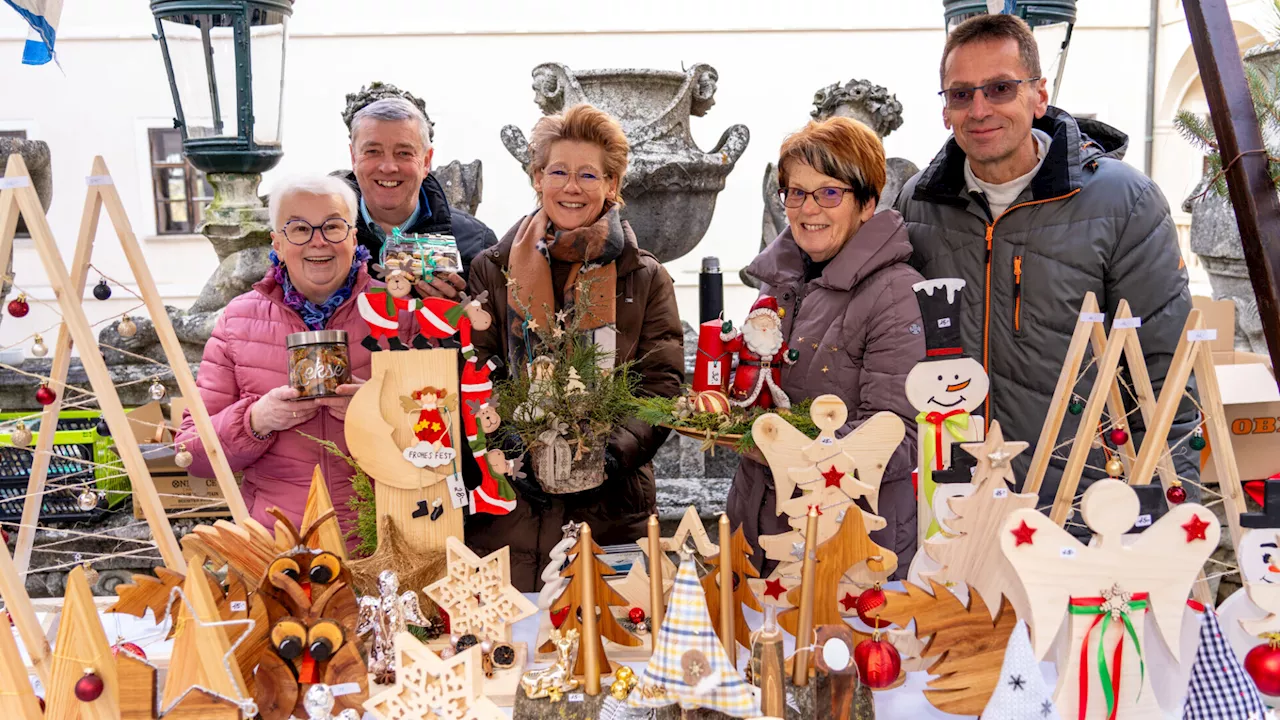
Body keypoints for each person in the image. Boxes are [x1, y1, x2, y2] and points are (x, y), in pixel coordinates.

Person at [895, 13, 1198, 506]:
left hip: (1080, 505)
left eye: (999, 88)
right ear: (945, 111)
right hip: (952, 499)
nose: (979, 109)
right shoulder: (918, 203)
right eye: (961, 93)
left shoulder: (1125, 202)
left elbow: (1165, 370)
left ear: (1039, 96)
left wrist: (1169, 511)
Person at [465, 103, 684, 590]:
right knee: (509, 650)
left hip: (609, 512)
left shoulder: (642, 276)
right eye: (558, 171)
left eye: (589, 174)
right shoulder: (491, 269)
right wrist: (515, 451)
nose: (571, 186)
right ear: (537, 178)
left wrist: (606, 457)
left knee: (607, 647)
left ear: (612, 185)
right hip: (508, 510)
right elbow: (476, 373)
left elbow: (660, 385)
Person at [730, 116, 926, 573]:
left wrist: (788, 452)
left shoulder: (894, 295)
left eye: (829, 192)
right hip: (758, 526)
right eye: (795, 192)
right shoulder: (779, 286)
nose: (807, 208)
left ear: (867, 203)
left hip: (847, 540)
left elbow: (900, 435)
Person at [175, 175, 412, 547]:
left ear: (353, 237)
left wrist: (375, 411)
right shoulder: (238, 321)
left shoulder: (400, 314)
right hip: (280, 548)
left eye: (333, 227)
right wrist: (256, 419)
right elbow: (191, 454)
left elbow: (445, 438)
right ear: (278, 244)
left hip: (385, 541)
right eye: (300, 228)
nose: (318, 241)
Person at [342, 96, 497, 299]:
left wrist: (461, 312)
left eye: (404, 153)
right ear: (354, 158)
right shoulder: (321, 239)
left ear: (426, 161)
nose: (388, 167)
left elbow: (494, 326)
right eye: (373, 151)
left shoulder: (477, 243)